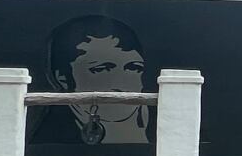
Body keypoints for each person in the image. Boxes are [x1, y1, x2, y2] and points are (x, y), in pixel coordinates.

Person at [30, 15, 153, 146]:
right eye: (102, 69)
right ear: (62, 79)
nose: (121, 82)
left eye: (133, 68)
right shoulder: (49, 138)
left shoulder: (164, 123)